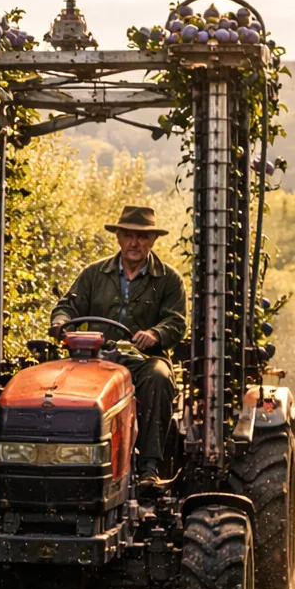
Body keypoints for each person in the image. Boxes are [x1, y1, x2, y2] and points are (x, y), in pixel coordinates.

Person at [48, 205, 186, 486]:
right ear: (118, 238)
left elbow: (177, 321)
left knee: (159, 378)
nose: (135, 243)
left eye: (142, 237)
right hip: (95, 358)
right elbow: (67, 306)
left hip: (144, 359)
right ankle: (65, 463)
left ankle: (149, 467)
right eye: (128, 235)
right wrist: (61, 322)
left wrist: (155, 334)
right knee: (55, 386)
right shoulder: (94, 274)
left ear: (153, 241)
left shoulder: (169, 280)